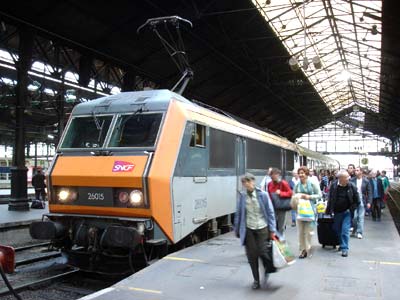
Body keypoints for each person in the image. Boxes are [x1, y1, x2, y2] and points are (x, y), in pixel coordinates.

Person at [234, 173, 277, 290]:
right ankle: (256, 280)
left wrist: (272, 230)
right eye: (244, 182)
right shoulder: (242, 197)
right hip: (249, 229)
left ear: (253, 182)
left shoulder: (263, 195)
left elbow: (270, 212)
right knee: (252, 256)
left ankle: (267, 270)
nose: (247, 184)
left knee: (263, 252)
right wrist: (237, 229)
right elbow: (238, 214)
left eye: (249, 181)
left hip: (262, 227)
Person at [326, 170, 360, 257]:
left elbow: (357, 200)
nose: (348, 179)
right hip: (337, 212)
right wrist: (328, 209)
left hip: (347, 212)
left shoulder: (351, 186)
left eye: (348, 177)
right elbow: (330, 198)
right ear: (340, 178)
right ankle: (341, 244)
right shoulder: (334, 185)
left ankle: (344, 248)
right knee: (337, 229)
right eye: (346, 177)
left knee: (345, 230)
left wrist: (351, 208)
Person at [293, 166, 322, 259]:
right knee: (300, 231)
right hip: (300, 210)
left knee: (309, 231)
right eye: (300, 173)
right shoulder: (297, 184)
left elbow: (319, 195)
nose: (301, 175)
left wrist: (309, 197)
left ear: (306, 174)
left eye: (303, 173)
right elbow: (293, 195)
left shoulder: (313, 183)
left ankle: (307, 248)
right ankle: (302, 250)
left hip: (310, 210)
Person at [267, 168, 292, 238]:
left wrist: (281, 193)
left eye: (276, 174)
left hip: (281, 207)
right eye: (273, 174)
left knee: (281, 225)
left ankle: (281, 240)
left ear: (279, 175)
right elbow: (268, 195)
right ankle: (274, 240)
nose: (275, 176)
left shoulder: (283, 183)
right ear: (271, 176)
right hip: (272, 207)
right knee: (272, 224)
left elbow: (290, 193)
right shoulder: (269, 184)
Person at [350, 167, 372, 239]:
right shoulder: (352, 180)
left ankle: (359, 232)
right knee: (354, 217)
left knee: (361, 217)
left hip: (362, 200)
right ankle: (354, 230)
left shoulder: (366, 181)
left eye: (357, 170)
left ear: (361, 172)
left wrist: (369, 202)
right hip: (354, 201)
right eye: (355, 170)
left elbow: (369, 192)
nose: (355, 171)